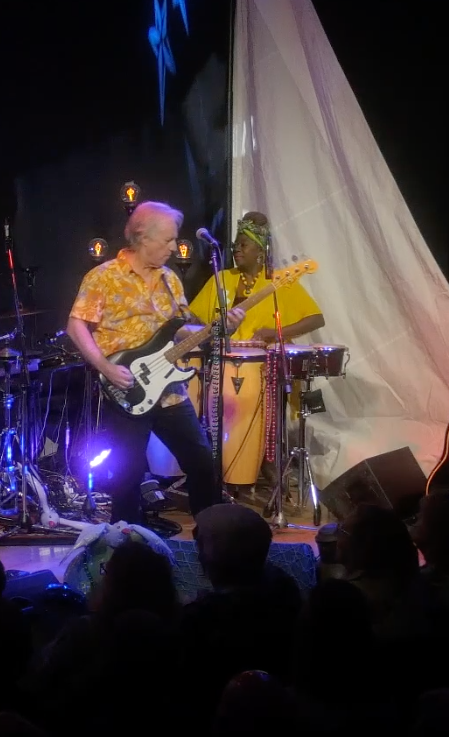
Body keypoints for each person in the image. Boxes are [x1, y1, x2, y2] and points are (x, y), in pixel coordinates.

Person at [66, 200, 219, 524]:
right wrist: (105, 367)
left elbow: (180, 330)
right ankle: (127, 542)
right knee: (128, 475)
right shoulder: (104, 277)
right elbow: (76, 326)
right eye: (168, 239)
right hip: (127, 388)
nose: (174, 247)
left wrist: (215, 329)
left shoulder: (170, 279)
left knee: (202, 461)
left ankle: (213, 534)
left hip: (169, 390)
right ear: (143, 237)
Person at [188, 212, 325, 345]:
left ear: (260, 250)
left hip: (266, 357)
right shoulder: (221, 279)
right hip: (224, 356)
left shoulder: (278, 280)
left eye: (243, 245)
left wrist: (276, 333)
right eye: (235, 245)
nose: (236, 249)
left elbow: (316, 319)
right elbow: (194, 318)